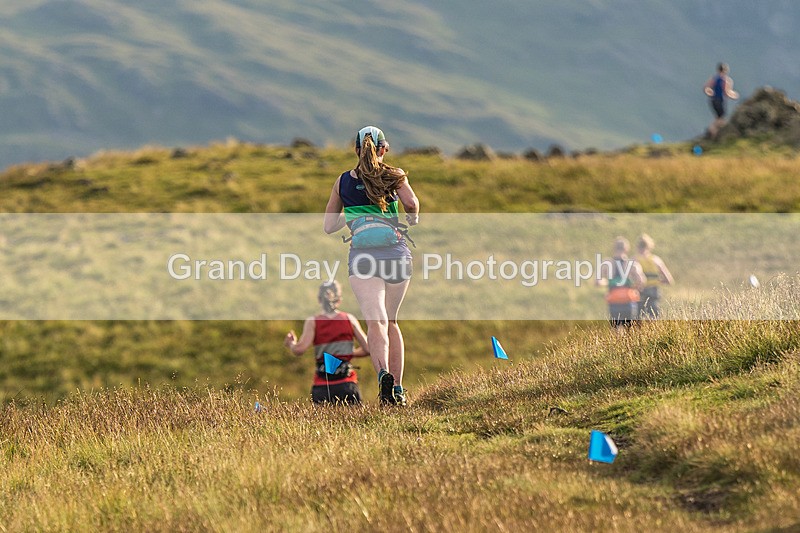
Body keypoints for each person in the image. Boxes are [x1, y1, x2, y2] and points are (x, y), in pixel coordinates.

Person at [323, 126, 419, 406]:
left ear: (355, 149)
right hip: (396, 253)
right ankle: (398, 389)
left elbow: (329, 226)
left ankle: (383, 376)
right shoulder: (394, 175)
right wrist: (412, 219)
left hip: (363, 256)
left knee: (375, 322)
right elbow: (411, 203)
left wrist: (353, 214)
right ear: (384, 149)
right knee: (391, 321)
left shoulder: (342, 182)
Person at [284, 281, 370, 405]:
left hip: (322, 386)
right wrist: (347, 353)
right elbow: (368, 348)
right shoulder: (349, 319)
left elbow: (299, 349)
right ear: (339, 300)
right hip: (347, 383)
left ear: (319, 300)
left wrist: (291, 343)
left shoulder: (313, 321)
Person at [598, 236, 645, 329]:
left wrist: (610, 282)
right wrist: (634, 287)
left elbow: (598, 282)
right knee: (630, 330)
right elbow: (642, 281)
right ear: (627, 249)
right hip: (629, 300)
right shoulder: (632, 264)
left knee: (616, 330)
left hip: (614, 301)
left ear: (614, 248)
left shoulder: (607, 264)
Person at [634, 233, 674, 319]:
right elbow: (669, 280)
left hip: (640, 292)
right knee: (654, 319)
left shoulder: (634, 260)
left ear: (637, 246)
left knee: (638, 320)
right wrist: (657, 280)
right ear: (650, 246)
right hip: (653, 292)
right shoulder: (656, 260)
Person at [703, 62, 739, 139]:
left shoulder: (714, 78)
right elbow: (726, 92)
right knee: (721, 118)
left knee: (719, 117)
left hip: (713, 100)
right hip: (720, 100)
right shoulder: (726, 80)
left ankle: (714, 133)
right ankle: (711, 131)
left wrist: (710, 93)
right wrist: (734, 96)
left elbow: (706, 87)